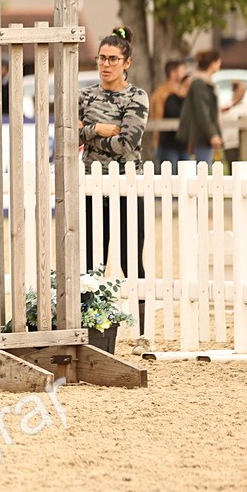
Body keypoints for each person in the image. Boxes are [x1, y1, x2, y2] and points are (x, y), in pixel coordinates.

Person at [78, 27, 149, 334]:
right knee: (90, 260)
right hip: (92, 188)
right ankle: (91, 325)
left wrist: (89, 132)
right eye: (102, 58)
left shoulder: (136, 97)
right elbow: (67, 135)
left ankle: (142, 329)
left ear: (127, 62)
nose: (106, 65)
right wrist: (98, 130)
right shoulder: (85, 95)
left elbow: (128, 143)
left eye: (113, 59)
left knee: (131, 258)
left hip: (126, 187)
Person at [177, 49, 223, 164]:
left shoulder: (202, 83)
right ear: (213, 63)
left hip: (202, 135)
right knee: (201, 172)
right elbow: (202, 111)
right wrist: (212, 134)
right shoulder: (199, 84)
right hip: (201, 136)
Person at [148, 59, 189, 168]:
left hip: (184, 144)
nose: (185, 73)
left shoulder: (184, 92)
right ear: (172, 73)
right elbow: (157, 117)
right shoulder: (161, 93)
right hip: (167, 144)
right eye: (182, 70)